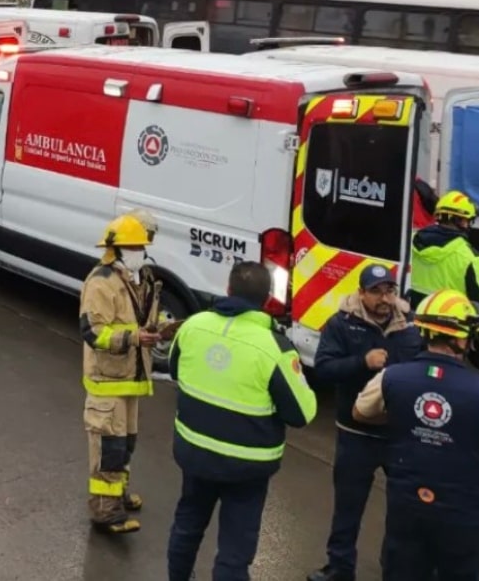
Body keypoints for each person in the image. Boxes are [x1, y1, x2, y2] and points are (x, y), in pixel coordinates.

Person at [166, 261, 318, 581]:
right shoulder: (276, 347)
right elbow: (302, 414)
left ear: (228, 289)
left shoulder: (192, 326)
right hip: (246, 466)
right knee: (235, 550)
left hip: (194, 451)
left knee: (187, 525)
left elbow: (175, 371)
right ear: (267, 300)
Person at [352, 289, 479, 580]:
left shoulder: (392, 377)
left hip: (407, 506)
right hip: (463, 513)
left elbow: (360, 412)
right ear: (461, 338)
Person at [307, 264, 422, 581]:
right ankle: (340, 567)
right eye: (376, 291)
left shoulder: (412, 328)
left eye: (389, 290)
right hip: (355, 432)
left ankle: (395, 569)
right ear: (361, 293)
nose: (384, 298)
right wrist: (362, 361)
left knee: (403, 508)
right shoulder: (342, 324)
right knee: (348, 507)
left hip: (399, 435)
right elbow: (324, 368)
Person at [80, 213, 164, 534]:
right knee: (108, 448)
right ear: (116, 250)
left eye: (142, 245)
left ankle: (118, 495)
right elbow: (93, 332)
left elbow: (139, 321)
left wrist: (155, 332)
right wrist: (134, 338)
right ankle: (105, 511)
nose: (141, 250)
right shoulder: (101, 283)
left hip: (129, 380)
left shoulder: (137, 278)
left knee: (124, 444)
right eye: (136, 246)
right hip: (108, 382)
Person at [408, 190, 479, 308]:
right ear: (461, 221)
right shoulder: (470, 257)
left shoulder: (410, 240)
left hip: (412, 319)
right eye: (468, 221)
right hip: (449, 324)